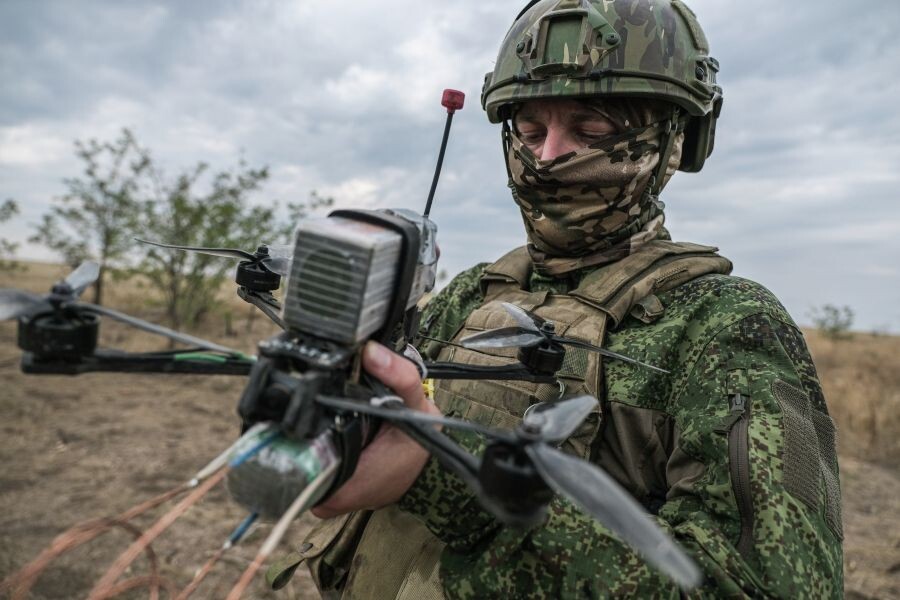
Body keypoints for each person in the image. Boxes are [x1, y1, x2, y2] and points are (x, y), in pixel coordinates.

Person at [268, 0, 844, 597]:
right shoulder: (472, 291)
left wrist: (440, 475)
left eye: (592, 128)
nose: (547, 158)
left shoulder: (722, 325)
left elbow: (751, 586)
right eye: (529, 130)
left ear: (677, 139)